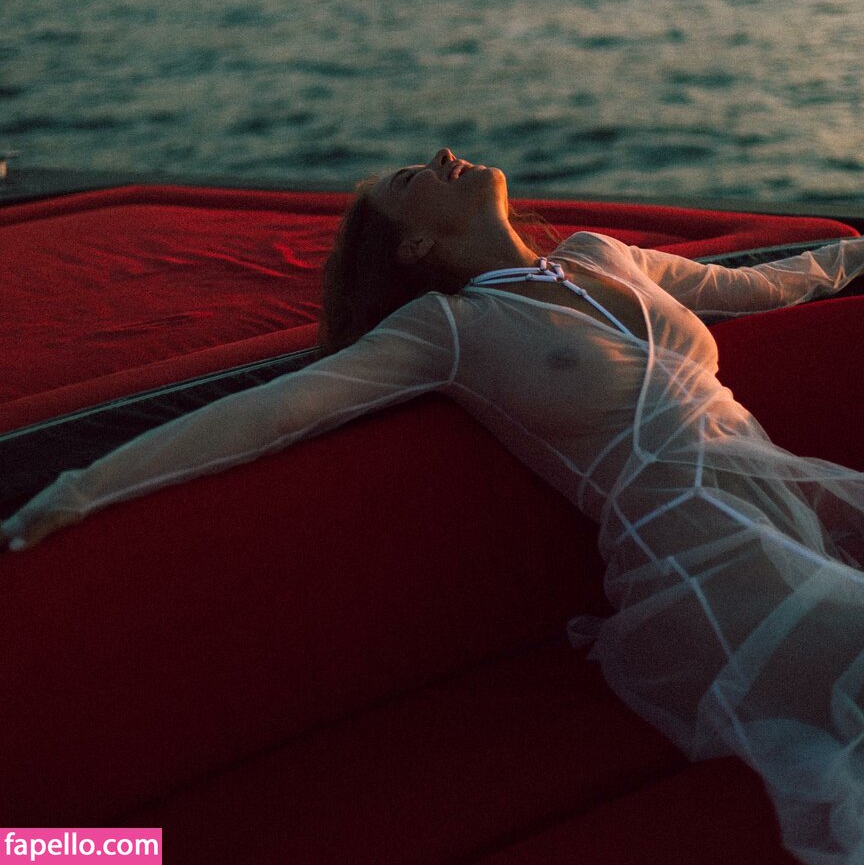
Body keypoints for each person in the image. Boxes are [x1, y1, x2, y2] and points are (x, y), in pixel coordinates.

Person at [3, 147, 864, 864]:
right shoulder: (448, 330)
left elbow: (774, 284)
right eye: (414, 177)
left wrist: (853, 255)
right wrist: (80, 489)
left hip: (794, 515)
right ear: (414, 245)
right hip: (701, 565)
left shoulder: (603, 256)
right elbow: (267, 416)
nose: (445, 154)